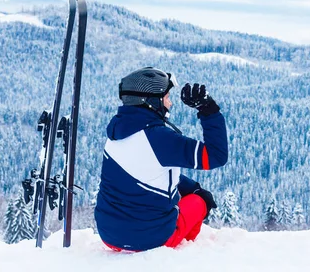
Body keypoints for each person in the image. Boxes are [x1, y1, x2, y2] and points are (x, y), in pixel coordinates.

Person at [94, 67, 228, 251]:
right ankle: (185, 246)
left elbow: (145, 171)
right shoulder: (160, 138)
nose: (170, 104)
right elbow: (216, 156)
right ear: (150, 102)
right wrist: (208, 110)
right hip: (150, 240)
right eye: (166, 98)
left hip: (109, 235)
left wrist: (189, 186)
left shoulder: (115, 135)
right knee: (201, 200)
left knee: (189, 192)